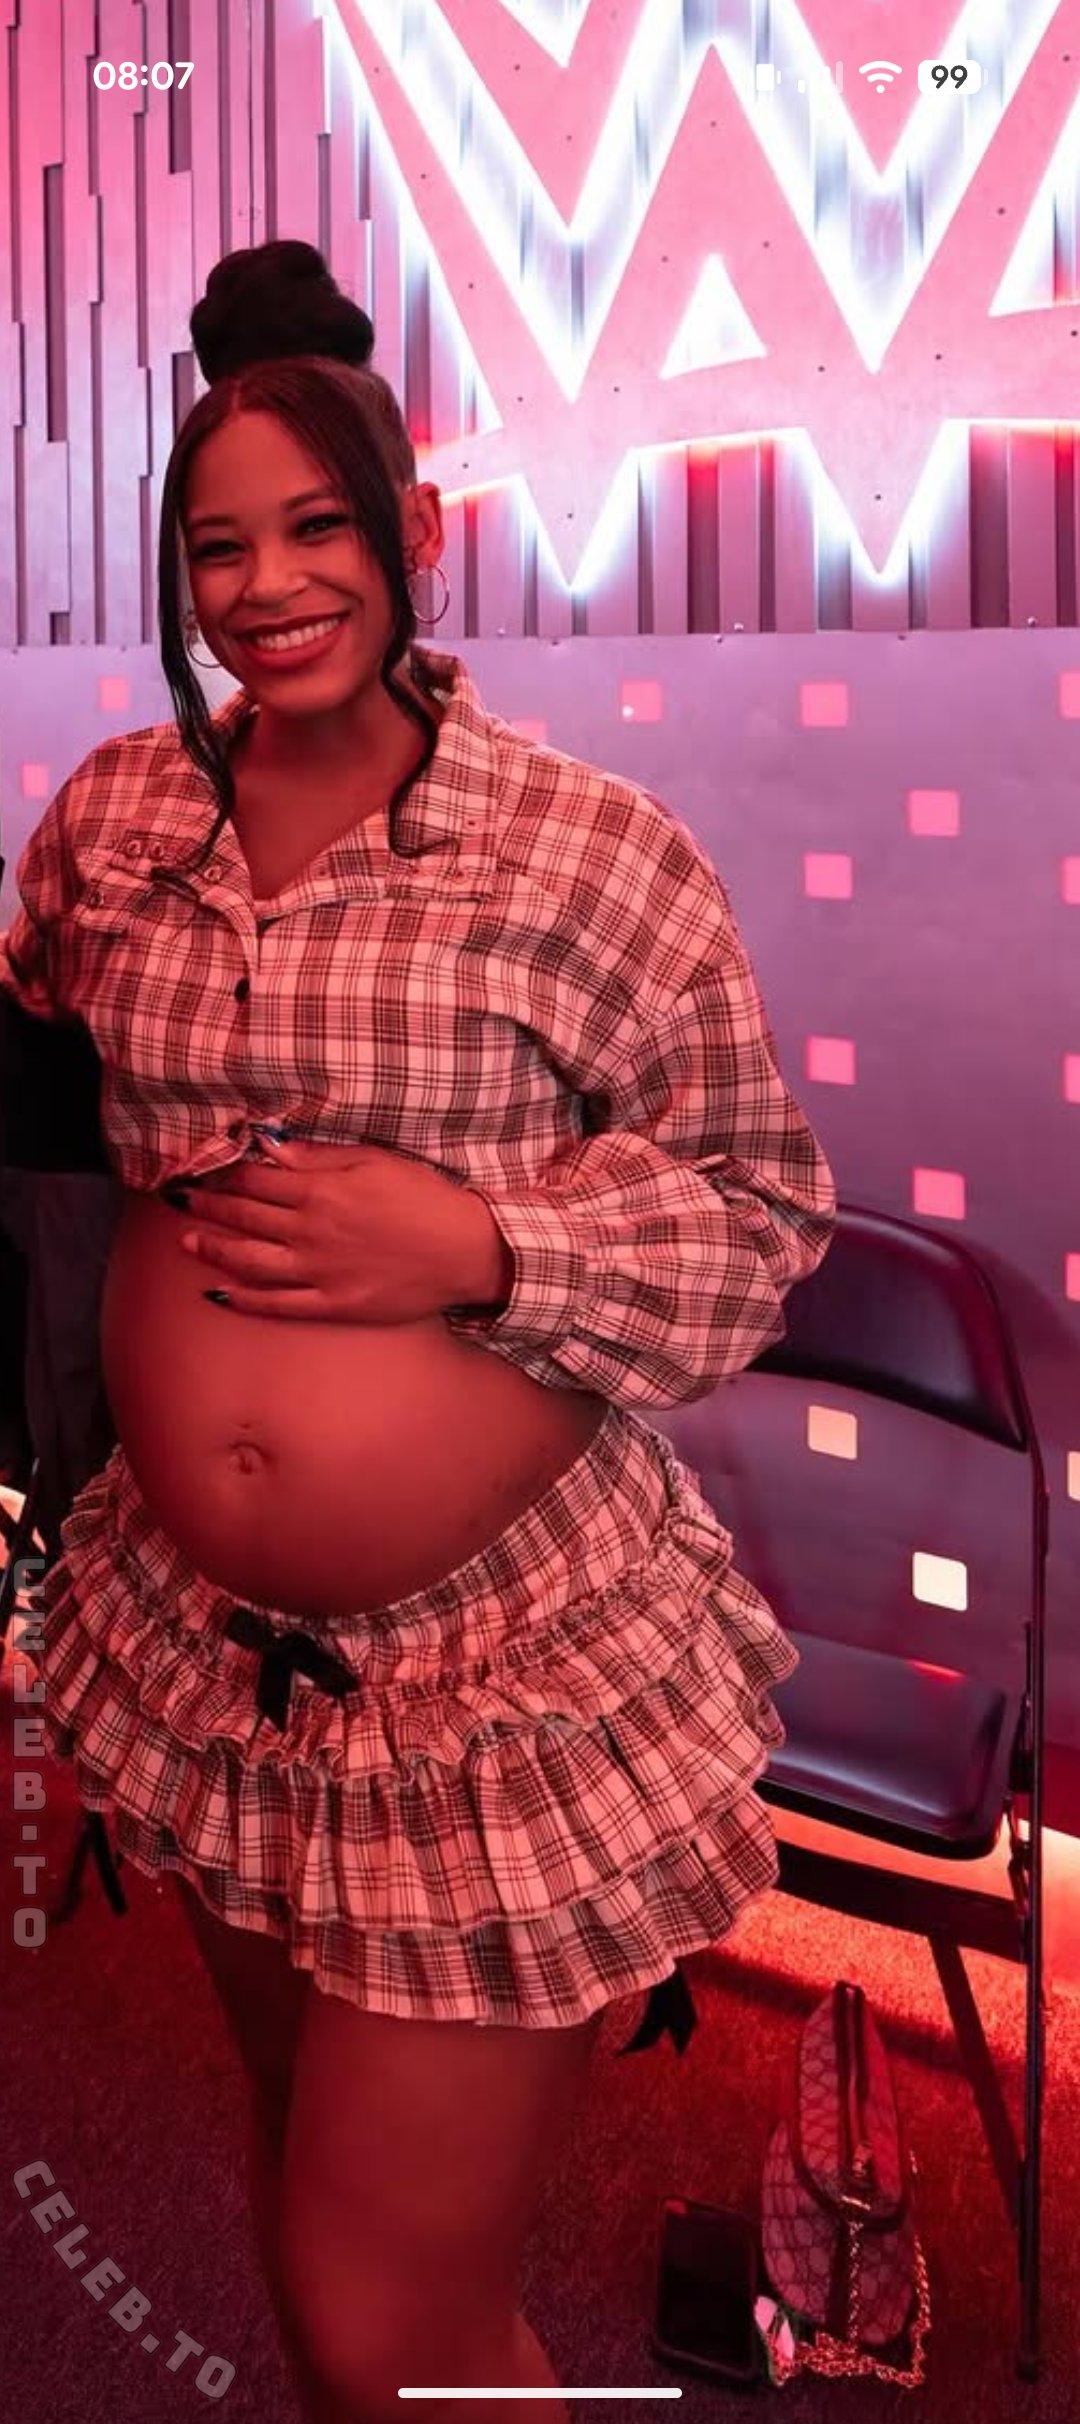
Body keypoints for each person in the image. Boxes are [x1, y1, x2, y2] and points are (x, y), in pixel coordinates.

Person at [0, 241, 836, 2423]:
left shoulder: (588, 857)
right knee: (313, 2208)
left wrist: (473, 1241)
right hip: (205, 1653)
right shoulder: (117, 820)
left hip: (489, 1677)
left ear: (418, 533)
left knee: (388, 2317)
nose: (268, 587)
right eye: (219, 548)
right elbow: (44, 1057)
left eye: (319, 528)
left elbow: (760, 1217)